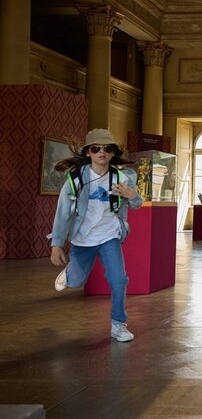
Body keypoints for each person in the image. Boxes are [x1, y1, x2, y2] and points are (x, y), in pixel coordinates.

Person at [49, 129, 142, 342]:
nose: (102, 152)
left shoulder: (123, 178)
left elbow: (136, 205)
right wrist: (56, 244)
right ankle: (71, 272)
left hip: (109, 236)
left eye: (107, 149)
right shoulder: (76, 179)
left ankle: (118, 325)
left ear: (112, 153)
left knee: (119, 280)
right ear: (88, 153)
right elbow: (63, 212)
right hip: (83, 238)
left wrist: (133, 195)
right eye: (96, 148)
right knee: (75, 282)